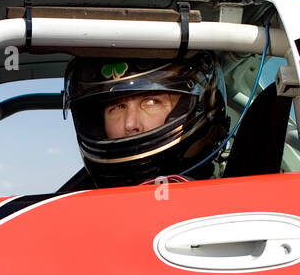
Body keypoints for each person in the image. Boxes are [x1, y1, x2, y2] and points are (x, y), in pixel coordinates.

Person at [63, 52, 230, 187]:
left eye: (151, 102)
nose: (130, 124)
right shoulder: (78, 213)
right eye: (117, 107)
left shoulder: (231, 212)